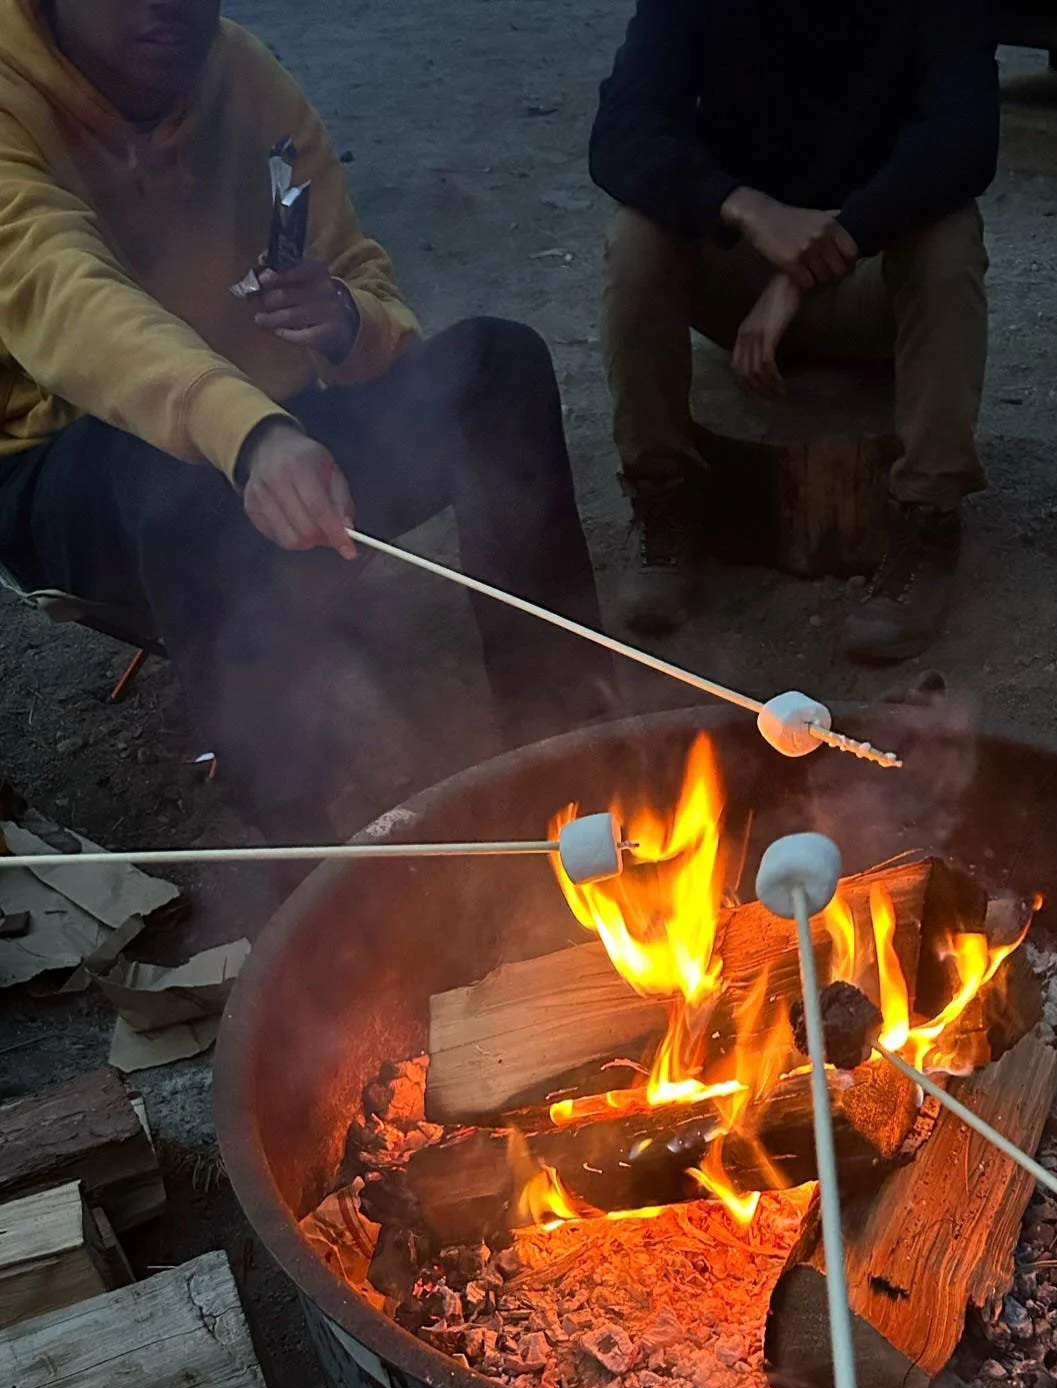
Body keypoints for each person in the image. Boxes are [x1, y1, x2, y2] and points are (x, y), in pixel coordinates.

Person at [0, 0, 612, 841]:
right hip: (76, 466)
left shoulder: (238, 72)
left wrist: (345, 321)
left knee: (495, 365)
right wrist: (246, 434)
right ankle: (316, 867)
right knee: (188, 484)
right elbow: (62, 292)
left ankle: (571, 765)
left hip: (280, 433)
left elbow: (364, 275)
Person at [590, 0, 998, 665]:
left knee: (949, 239)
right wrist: (746, 209)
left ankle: (927, 515)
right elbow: (624, 127)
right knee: (638, 237)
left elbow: (965, 136)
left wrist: (826, 248)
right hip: (740, 276)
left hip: (870, 276)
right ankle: (665, 495)